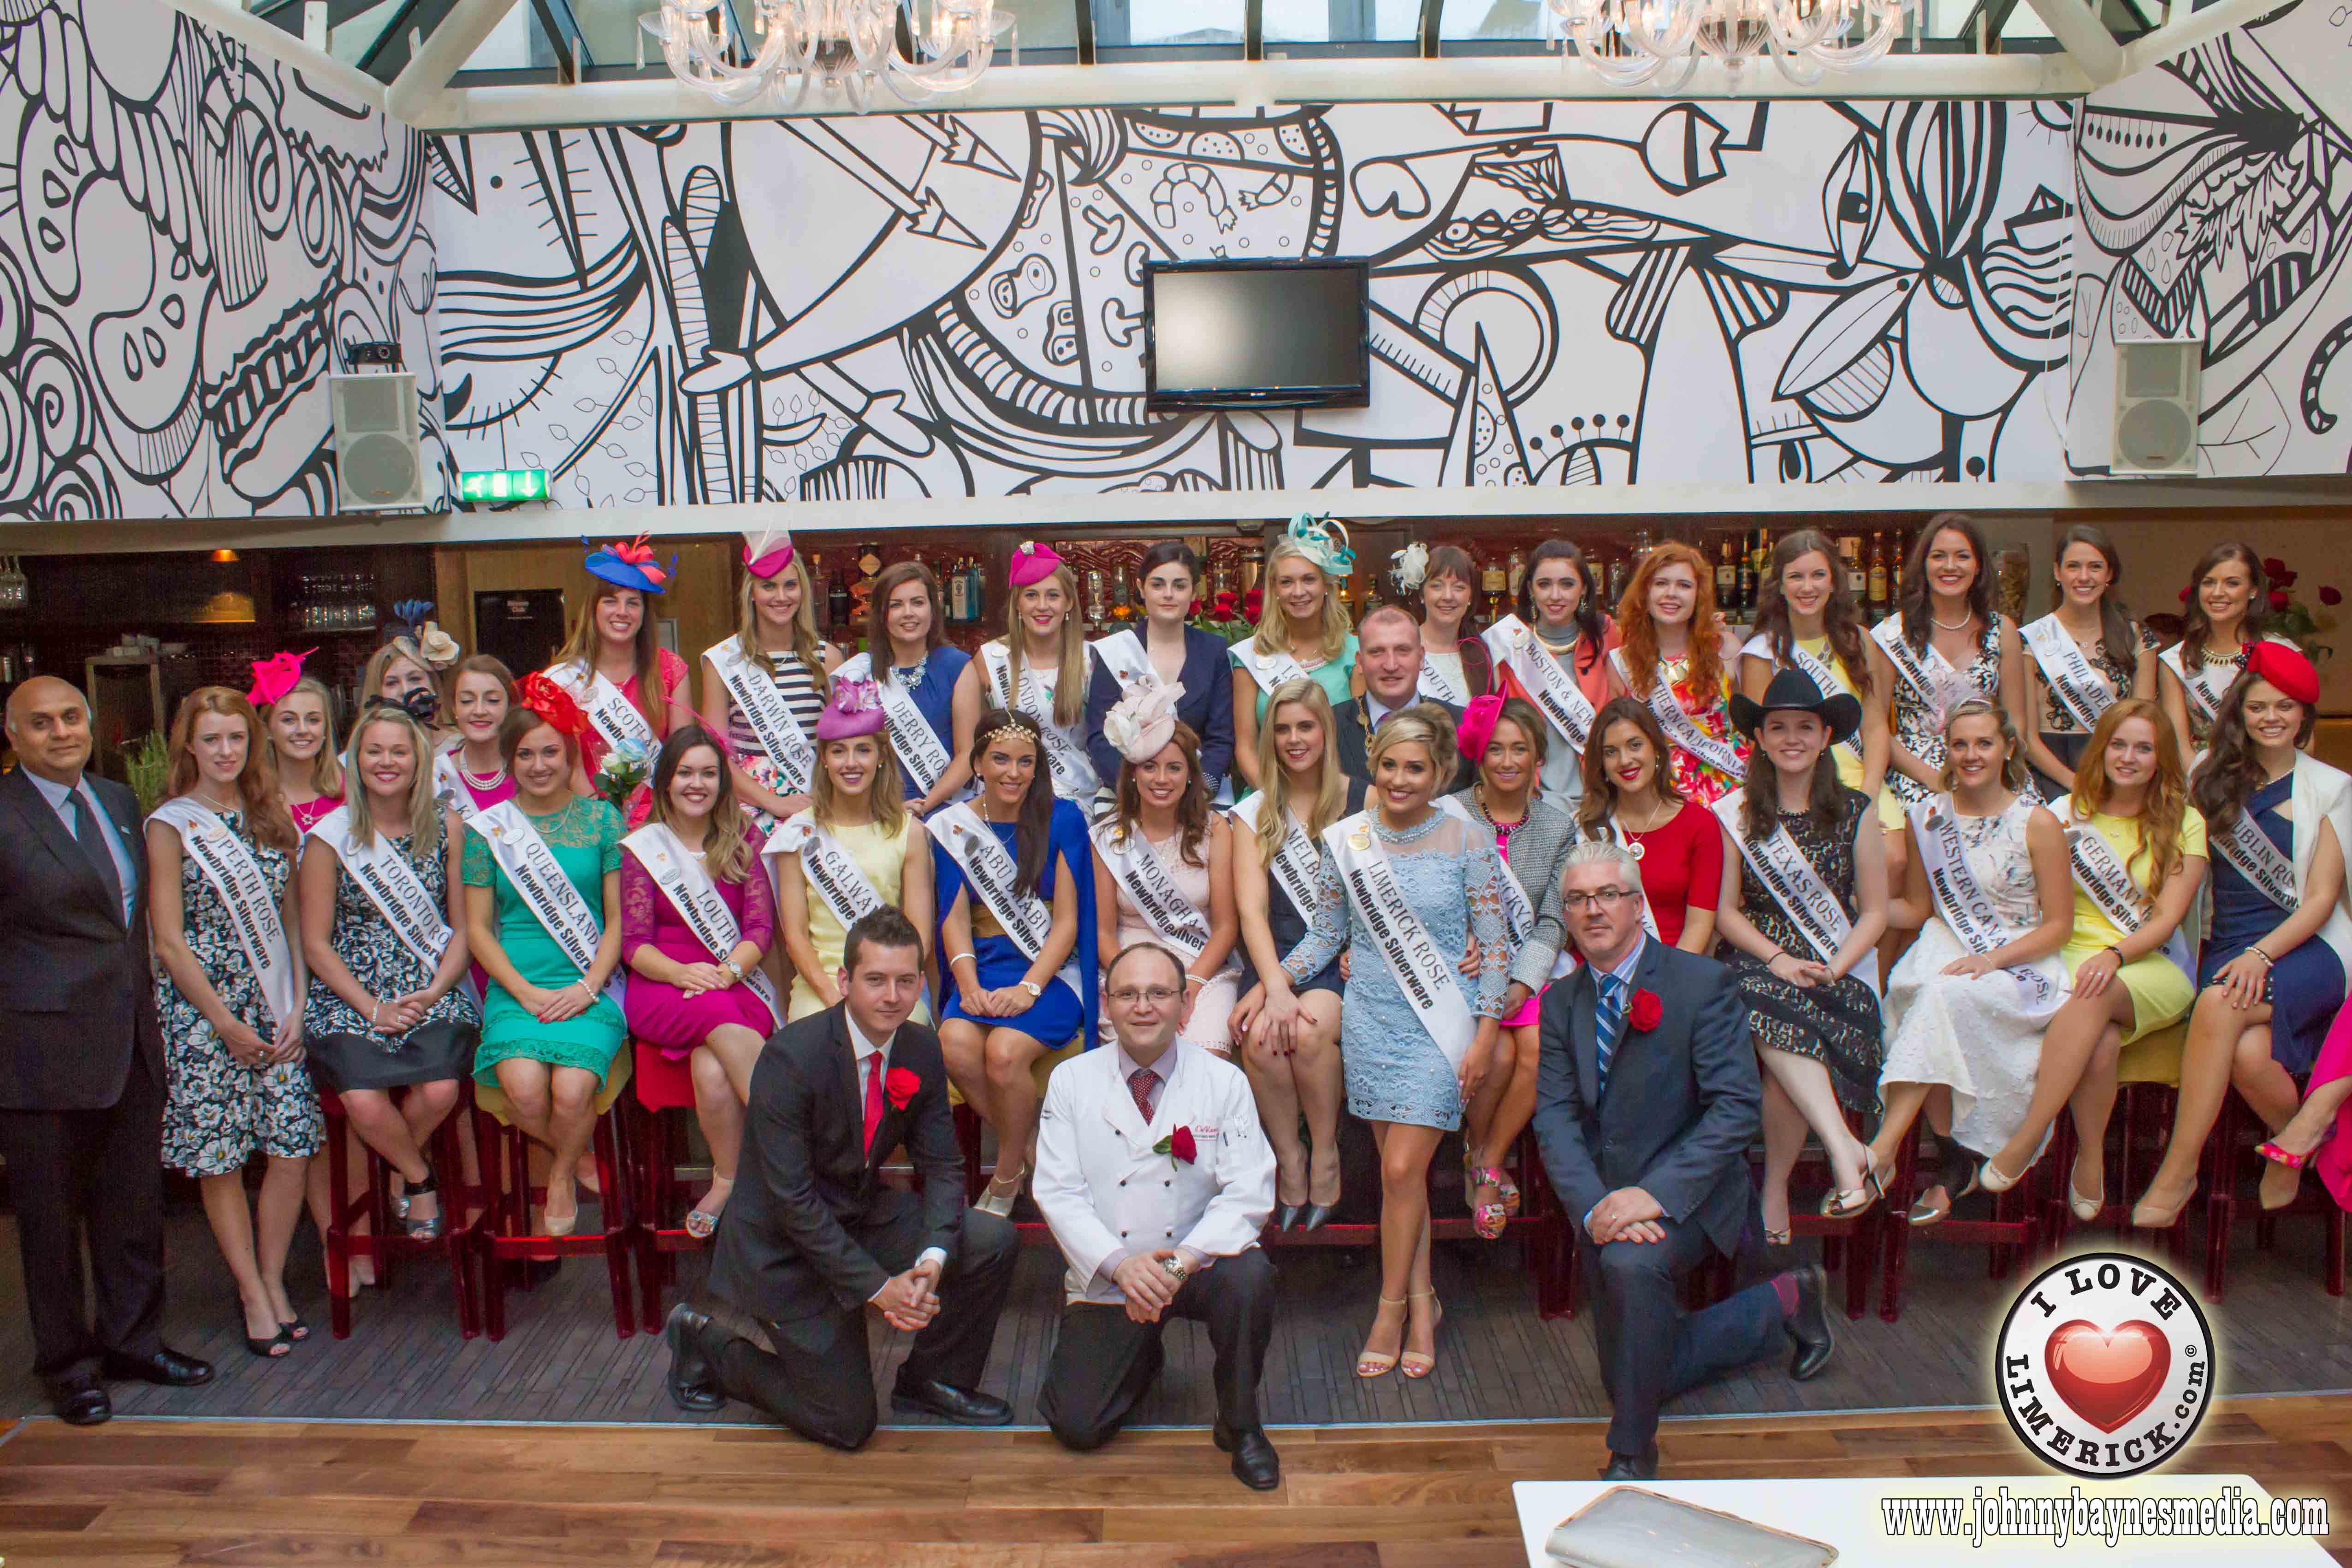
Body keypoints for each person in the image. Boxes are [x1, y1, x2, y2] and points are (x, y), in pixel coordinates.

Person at [1533, 840, 1834, 1481]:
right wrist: (1594, 1206)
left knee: (1633, 1270)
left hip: (1695, 1191)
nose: (1593, 911)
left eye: (1608, 895)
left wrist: (1657, 1195)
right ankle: (1786, 1297)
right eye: (1578, 899)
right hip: (1608, 1200)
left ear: (1637, 905)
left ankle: (1633, 1451)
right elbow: (1554, 1118)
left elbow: (1734, 1110)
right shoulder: (1560, 1002)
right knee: (1632, 1374)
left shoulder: (1702, 984)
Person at [663, 907, 1017, 1448]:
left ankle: (933, 1380)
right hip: (782, 1247)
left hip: (858, 1216)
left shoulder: (920, 1047)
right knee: (845, 1423)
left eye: (905, 981)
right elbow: (793, 1202)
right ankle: (705, 1343)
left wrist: (931, 1258)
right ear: (845, 981)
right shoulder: (792, 1056)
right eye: (875, 980)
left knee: (990, 1238)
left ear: (921, 984)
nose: (892, 996)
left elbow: (943, 1166)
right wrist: (880, 1289)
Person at [0, 677, 211, 1425]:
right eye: (40, 723)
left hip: (129, 1044)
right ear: (14, 736)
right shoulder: (5, 813)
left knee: (132, 1211)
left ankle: (134, 1341)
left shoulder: (120, 802)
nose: (60, 732)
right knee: (51, 1225)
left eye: (70, 718)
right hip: (38, 1055)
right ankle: (69, 1365)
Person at [1280, 707, 1508, 1381]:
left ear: (1440, 773)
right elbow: (1326, 935)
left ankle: (1389, 1310)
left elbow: (1495, 949)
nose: (1400, 779)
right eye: (1389, 765)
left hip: (1443, 1028)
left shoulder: (1468, 840)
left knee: (1403, 1174)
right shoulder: (1344, 839)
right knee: (1396, 1180)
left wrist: (1487, 1034)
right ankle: (1424, 1299)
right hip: (1372, 1021)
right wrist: (1271, 983)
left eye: (1416, 768)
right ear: (1373, 764)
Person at [1033, 942, 1280, 1489]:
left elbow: (1250, 1190)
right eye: (1128, 994)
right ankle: (1141, 1355)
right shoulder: (1071, 1081)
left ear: (1186, 1006)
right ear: (1107, 1003)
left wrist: (1183, 1262)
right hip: (1111, 1270)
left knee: (1251, 1275)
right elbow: (1058, 1191)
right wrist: (1121, 1267)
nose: (1143, 1006)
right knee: (1077, 1425)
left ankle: (1239, 1423)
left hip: (1195, 1263)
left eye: (1159, 993)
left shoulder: (1225, 1082)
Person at [2133, 644, 2352, 1225]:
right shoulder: (2208, 772)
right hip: (2227, 944)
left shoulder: (2331, 786)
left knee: (2219, 1003)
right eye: (2258, 707)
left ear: (2304, 715)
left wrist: (2261, 954)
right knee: (2249, 1054)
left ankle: (2179, 1170)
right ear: (2241, 713)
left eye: (2285, 706)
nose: (2272, 717)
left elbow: (2322, 900)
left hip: (2311, 947)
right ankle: (2313, 1143)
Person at [1967, 699, 2204, 1216]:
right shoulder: (2062, 812)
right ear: (2100, 749)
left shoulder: (2185, 821)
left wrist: (2116, 954)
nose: (2128, 757)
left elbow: (2166, 919)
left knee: (2096, 991)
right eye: (2118, 744)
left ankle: (2028, 1137)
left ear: (2160, 758)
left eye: (2143, 748)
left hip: (2151, 962)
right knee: (2098, 1041)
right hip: (2068, 960)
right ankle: (2090, 1156)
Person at [147, 686, 320, 1359]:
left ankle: (274, 1277)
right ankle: (250, 1291)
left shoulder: (270, 815)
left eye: (236, 739)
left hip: (275, 1002)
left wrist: (298, 1006)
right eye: (211, 738)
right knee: (219, 1156)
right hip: (202, 1013)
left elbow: (289, 921)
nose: (224, 751)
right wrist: (222, 1022)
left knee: (291, 1146)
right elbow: (168, 939)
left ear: (253, 744)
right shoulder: (171, 824)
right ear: (189, 744)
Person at [1866, 699, 2073, 1226]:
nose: (1971, 754)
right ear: (1947, 750)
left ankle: (1885, 1150)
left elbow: (2059, 926)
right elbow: (1917, 907)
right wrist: (1858, 907)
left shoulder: (2038, 821)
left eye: (1983, 743)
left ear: (2007, 747)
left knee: (1938, 994)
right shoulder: (1926, 816)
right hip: (1950, 941)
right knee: (1923, 988)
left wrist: (1991, 959)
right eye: (1960, 744)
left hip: (2020, 962)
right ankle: (1952, 1161)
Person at [1714, 671, 1889, 1240]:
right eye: (1779, 727)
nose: (1792, 738)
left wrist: (1834, 967)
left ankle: (1776, 1190)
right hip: (1758, 960)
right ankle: (1845, 1150)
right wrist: (1776, 959)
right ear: (1760, 738)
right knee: (1767, 1003)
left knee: (1785, 1033)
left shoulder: (1857, 810)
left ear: (1825, 736)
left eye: (1805, 727)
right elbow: (1726, 913)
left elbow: (1875, 913)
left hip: (1836, 962)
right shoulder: (1737, 814)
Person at [298, 704, 479, 1245]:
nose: (386, 761)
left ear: (418, 760)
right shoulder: (330, 837)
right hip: (351, 993)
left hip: (429, 982)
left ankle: (397, 1164)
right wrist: (371, 1008)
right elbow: (314, 942)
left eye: (398, 751)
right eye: (373, 751)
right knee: (362, 1099)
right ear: (355, 762)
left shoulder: (447, 825)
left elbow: (463, 929)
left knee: (442, 1088)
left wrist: (435, 991)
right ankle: (420, 1175)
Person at [462, 676, 629, 1237]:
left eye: (549, 752)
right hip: (517, 987)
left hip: (592, 982)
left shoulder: (605, 820)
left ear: (570, 754)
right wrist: (526, 993)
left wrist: (587, 987)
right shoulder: (487, 831)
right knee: (527, 1089)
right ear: (510, 760)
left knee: (573, 1088)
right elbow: (479, 931)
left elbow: (617, 920)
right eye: (525, 754)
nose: (538, 764)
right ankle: (576, 1154)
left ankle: (558, 1175)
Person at [930, 709, 1101, 1216]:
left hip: (1050, 971)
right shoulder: (952, 826)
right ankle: (1033, 1151)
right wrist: (967, 985)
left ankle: (1005, 1176)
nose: (1013, 772)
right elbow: (954, 920)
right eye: (1000, 759)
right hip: (984, 967)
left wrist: (1029, 987)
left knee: (1004, 1052)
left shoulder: (1063, 817)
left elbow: (1068, 922)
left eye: (1026, 761)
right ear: (977, 762)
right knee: (954, 1042)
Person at [623, 726, 778, 1239]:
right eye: (685, 772)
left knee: (712, 1070)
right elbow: (634, 942)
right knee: (716, 1017)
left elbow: (760, 928)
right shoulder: (644, 848)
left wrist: (729, 971)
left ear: (722, 782)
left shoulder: (745, 839)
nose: (697, 783)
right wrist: (681, 972)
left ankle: (728, 1179)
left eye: (708, 773)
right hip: (662, 986)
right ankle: (797, 1158)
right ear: (666, 780)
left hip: (733, 980)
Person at [1229, 678, 1363, 1231]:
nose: (1293, 738)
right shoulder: (1253, 812)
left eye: (1304, 726)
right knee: (1261, 1036)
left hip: (1345, 958)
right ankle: (1290, 1158)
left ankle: (1327, 1154)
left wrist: (1276, 987)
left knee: (1307, 1031)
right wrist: (1273, 985)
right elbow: (1252, 912)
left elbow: (1380, 895)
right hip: (1275, 951)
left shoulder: (1364, 799)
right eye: (1281, 728)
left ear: (1325, 731)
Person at [1870, 514, 2030, 969]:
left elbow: (2014, 720)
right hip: (1917, 773)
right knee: (1911, 902)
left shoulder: (2003, 632)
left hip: (1990, 767)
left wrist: (1991, 773)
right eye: (1939, 555)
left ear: (1979, 566)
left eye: (1962, 555)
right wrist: (1939, 781)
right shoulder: (1892, 633)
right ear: (1923, 564)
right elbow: (1877, 726)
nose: (1950, 565)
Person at [1445, 695, 1578, 1239]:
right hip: (1465, 968)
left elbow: (1553, 918)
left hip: (1531, 968)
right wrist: (1467, 942)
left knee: (1540, 1048)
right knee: (1495, 1051)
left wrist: (1523, 981)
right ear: (1479, 755)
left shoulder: (1556, 826)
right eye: (1495, 748)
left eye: (1518, 749)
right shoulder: (1449, 813)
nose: (1506, 760)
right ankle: (1486, 1161)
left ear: (1536, 760)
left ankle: (1486, 1161)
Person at [770, 680, 935, 1024]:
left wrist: (886, 990)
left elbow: (920, 934)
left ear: (880, 758)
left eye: (863, 749)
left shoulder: (910, 832)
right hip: (821, 986)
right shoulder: (797, 833)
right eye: (838, 751)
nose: (851, 763)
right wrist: (835, 999)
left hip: (891, 986)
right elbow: (796, 937)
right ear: (824, 760)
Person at [1092, 685, 1241, 1056]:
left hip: (1200, 970)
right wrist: (1140, 987)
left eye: (1174, 767)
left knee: (1203, 1063)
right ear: (1131, 774)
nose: (1162, 779)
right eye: (1149, 767)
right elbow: (1103, 933)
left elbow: (1225, 927)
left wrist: (1188, 984)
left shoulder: (1217, 830)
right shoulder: (1106, 837)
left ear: (1191, 774)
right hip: (1129, 971)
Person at [1738, 530, 1889, 817]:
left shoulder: (1859, 641)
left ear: (1833, 582)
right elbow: (1759, 743)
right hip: (1792, 786)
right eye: (1796, 577)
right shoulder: (1762, 650)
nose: (1808, 587)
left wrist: (1868, 797)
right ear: (1780, 586)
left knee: (1893, 857)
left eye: (1818, 575)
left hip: (1858, 781)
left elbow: (1875, 728)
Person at [703, 525, 837, 829]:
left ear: (802, 590)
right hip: (747, 812)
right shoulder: (723, 661)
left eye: (790, 585)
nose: (781, 596)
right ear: (751, 592)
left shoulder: (827, 657)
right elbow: (714, 754)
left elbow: (842, 743)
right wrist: (774, 802)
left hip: (813, 805)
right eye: (769, 586)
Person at [549, 534, 692, 817]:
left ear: (644, 613)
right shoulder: (563, 679)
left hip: (661, 820)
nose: (622, 612)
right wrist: (603, 824)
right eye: (611, 601)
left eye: (633, 603)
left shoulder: (671, 670)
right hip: (589, 818)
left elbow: (683, 760)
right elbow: (569, 769)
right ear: (593, 609)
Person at [1086, 541, 1238, 803]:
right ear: (1140, 588)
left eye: (1180, 586)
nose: (1169, 594)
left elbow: (1221, 738)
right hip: (1130, 799)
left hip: (1199, 799)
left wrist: (1199, 790)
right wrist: (1139, 793)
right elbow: (1100, 738)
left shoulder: (1214, 651)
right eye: (1158, 585)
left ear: (1194, 592)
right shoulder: (1115, 652)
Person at [2021, 524, 2158, 799]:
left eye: (2095, 567)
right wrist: (2075, 784)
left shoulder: (2137, 637)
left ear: (2109, 574)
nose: (2084, 577)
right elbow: (2026, 738)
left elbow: (2145, 723)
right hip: (2051, 773)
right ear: (2058, 572)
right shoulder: (2030, 640)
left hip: (2121, 771)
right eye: (2073, 566)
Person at [1607, 542, 1748, 806]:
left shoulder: (1727, 649)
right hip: (1660, 798)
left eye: (1684, 585)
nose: (1671, 594)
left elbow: (1751, 726)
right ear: (1645, 592)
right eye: (1661, 583)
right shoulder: (1620, 663)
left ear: (1699, 596)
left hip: (1731, 793)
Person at [1578, 698, 1724, 953]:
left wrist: (1665, 984)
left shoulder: (1699, 824)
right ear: (1601, 764)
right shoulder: (1587, 826)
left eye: (1635, 746)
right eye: (1611, 752)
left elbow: (1700, 925)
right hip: (1600, 969)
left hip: (1675, 966)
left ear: (1656, 748)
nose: (1625, 760)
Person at [1484, 539, 1619, 812]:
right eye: (1544, 584)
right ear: (1531, 590)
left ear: (1584, 588)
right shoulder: (1508, 643)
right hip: (1532, 800)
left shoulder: (1607, 635)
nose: (1555, 595)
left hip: (1599, 797)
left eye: (1567, 584)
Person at [833, 561, 978, 814]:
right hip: (876, 809)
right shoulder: (858, 673)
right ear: (882, 615)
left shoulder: (958, 667)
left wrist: (925, 806)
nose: (908, 613)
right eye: (896, 605)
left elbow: (968, 755)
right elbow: (846, 756)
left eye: (918, 603)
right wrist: (886, 809)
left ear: (934, 609)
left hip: (946, 808)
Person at [1231, 517, 1360, 791]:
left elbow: (1359, 742)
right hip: (1268, 799)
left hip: (1337, 799)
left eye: (1309, 580)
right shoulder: (1251, 655)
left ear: (1327, 585)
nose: (1298, 592)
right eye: (1287, 582)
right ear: (1275, 589)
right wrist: (1277, 803)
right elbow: (1245, 747)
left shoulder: (1355, 653)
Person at [978, 542, 1098, 805]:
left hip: (1079, 800)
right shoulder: (990, 659)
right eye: (1031, 595)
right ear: (1017, 604)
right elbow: (972, 745)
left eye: (1053, 596)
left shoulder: (1091, 659)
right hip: (1010, 800)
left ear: (1069, 603)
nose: (1042, 606)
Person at [2158, 542, 2286, 773]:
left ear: (2253, 591)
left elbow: (2302, 740)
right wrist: (2205, 788)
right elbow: (2179, 746)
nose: (2218, 593)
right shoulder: (2177, 660)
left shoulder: (2281, 653)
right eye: (2209, 583)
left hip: (2267, 781)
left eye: (2232, 583)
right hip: (2199, 784)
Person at [1335, 605, 1473, 792]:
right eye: (1377, 652)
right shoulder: (1331, 725)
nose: (1391, 665)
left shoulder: (1461, 724)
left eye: (1403, 650)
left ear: (1421, 657)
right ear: (1360, 662)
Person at [251, 656, 344, 833]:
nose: (302, 730)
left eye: (313, 720)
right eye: (288, 720)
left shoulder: (352, 791)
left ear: (326, 729)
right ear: (267, 730)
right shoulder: (252, 797)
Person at [1397, 543, 1492, 703]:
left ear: (1470, 597)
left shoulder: (1483, 655)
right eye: (1437, 586)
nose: (1448, 596)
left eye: (1459, 587)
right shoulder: (1400, 650)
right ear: (1422, 594)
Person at [361, 605, 462, 746]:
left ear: (433, 685)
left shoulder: (461, 749)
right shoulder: (357, 755)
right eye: (392, 683)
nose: (406, 690)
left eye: (415, 679)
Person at [433, 655, 519, 820]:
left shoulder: (527, 770)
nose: (479, 710)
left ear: (509, 706)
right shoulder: (435, 776)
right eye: (467, 701)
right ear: (454, 708)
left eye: (492, 701)